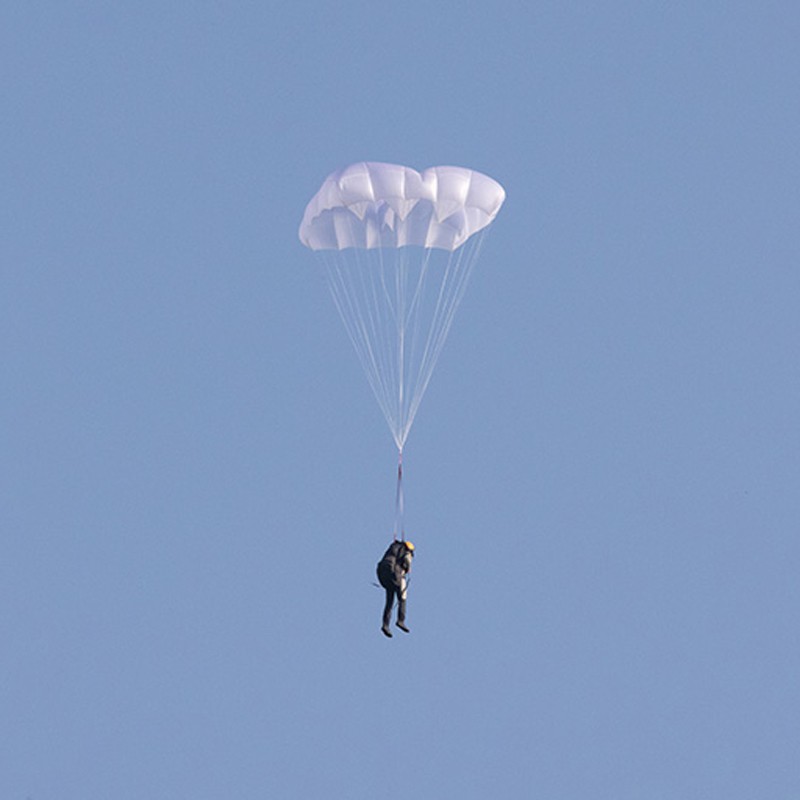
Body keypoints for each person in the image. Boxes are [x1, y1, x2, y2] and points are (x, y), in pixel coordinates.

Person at [376, 539, 415, 637]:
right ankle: (400, 620)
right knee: (402, 598)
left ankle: (385, 625)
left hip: (387, 576)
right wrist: (408, 568)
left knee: (389, 603)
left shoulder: (392, 549)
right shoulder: (406, 551)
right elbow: (407, 560)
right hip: (396, 575)